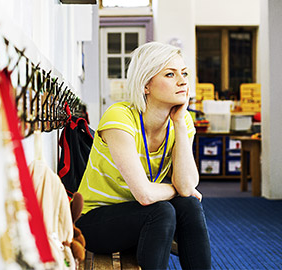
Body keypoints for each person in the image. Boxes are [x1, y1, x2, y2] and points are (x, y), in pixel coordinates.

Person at [75, 42, 211, 270]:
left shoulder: (183, 121)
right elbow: (146, 195)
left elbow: (187, 188)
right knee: (161, 210)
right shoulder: (119, 118)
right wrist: (176, 190)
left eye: (184, 73)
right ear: (146, 84)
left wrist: (178, 121)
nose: (182, 81)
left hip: (143, 218)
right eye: (170, 74)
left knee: (189, 206)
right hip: (95, 221)